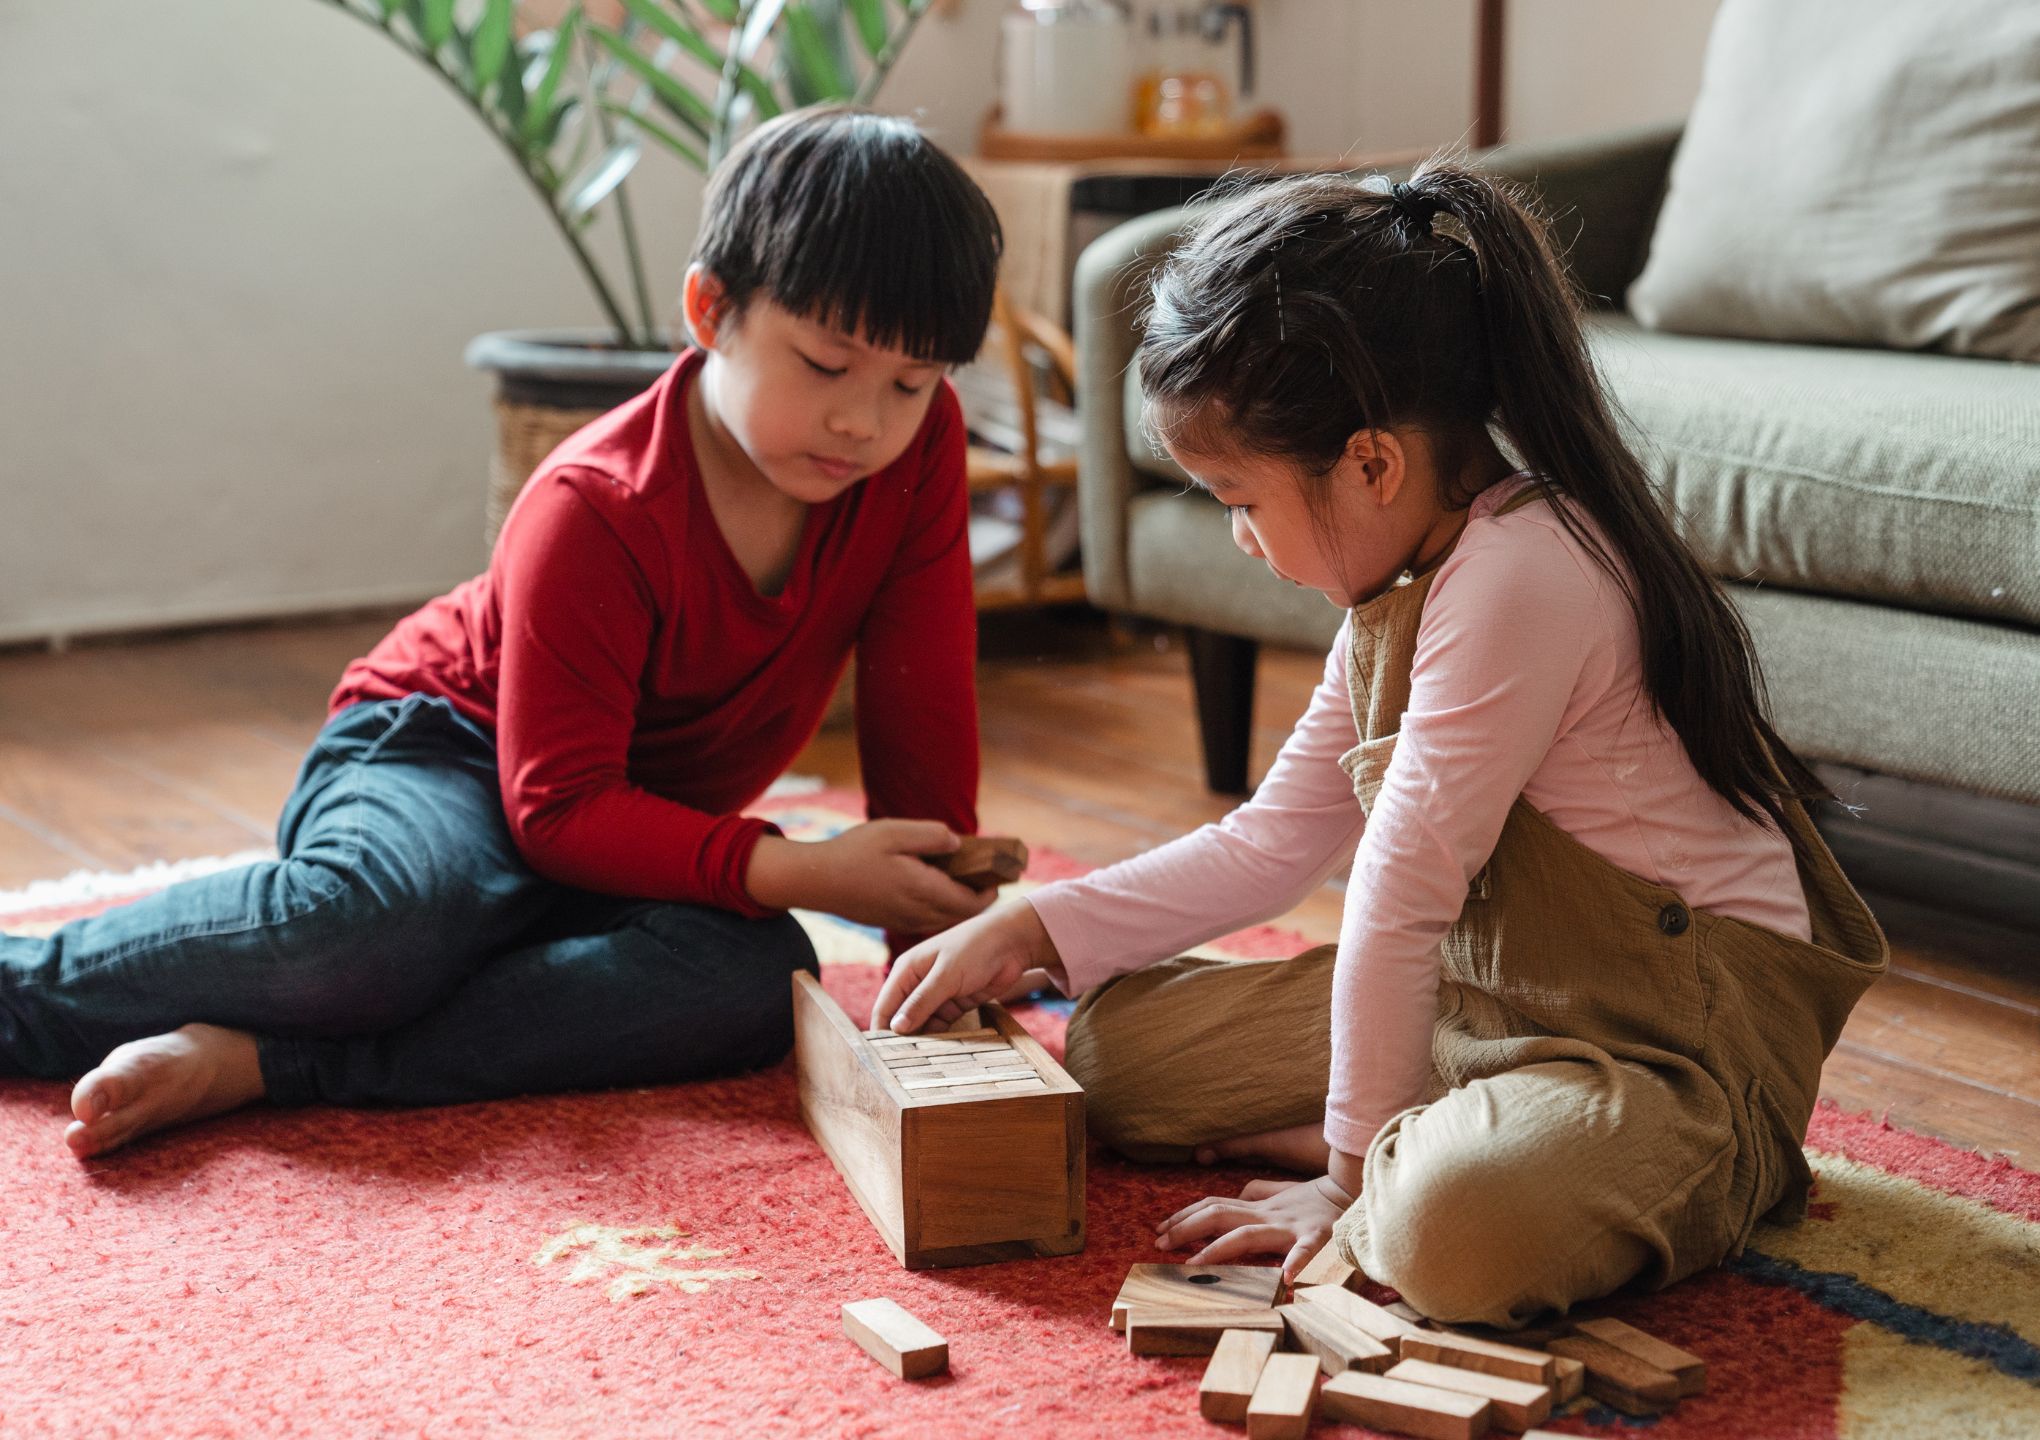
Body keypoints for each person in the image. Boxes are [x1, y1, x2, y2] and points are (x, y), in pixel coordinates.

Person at [872, 161, 1888, 1328]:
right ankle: (1421, 1118)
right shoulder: (1399, 587)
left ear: (1371, 463)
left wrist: (1343, 1188)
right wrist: (1032, 924)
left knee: (1441, 1236)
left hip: (1677, 1056)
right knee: (1108, 1060)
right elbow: (1270, 847)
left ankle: (1418, 1153)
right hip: (1496, 1002)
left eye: (1240, 499)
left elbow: (1400, 898)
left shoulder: (1523, 574)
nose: (1243, 539)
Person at [2, 106, 1005, 1159]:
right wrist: (806, 866)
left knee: (755, 984)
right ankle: (21, 988)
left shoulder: (912, 454)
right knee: (378, 930)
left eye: (910, 382)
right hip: (447, 754)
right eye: (825, 364)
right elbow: (558, 807)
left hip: (625, 833)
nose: (866, 421)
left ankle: (264, 1060)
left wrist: (941, 962)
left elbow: (919, 704)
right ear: (710, 310)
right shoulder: (596, 503)